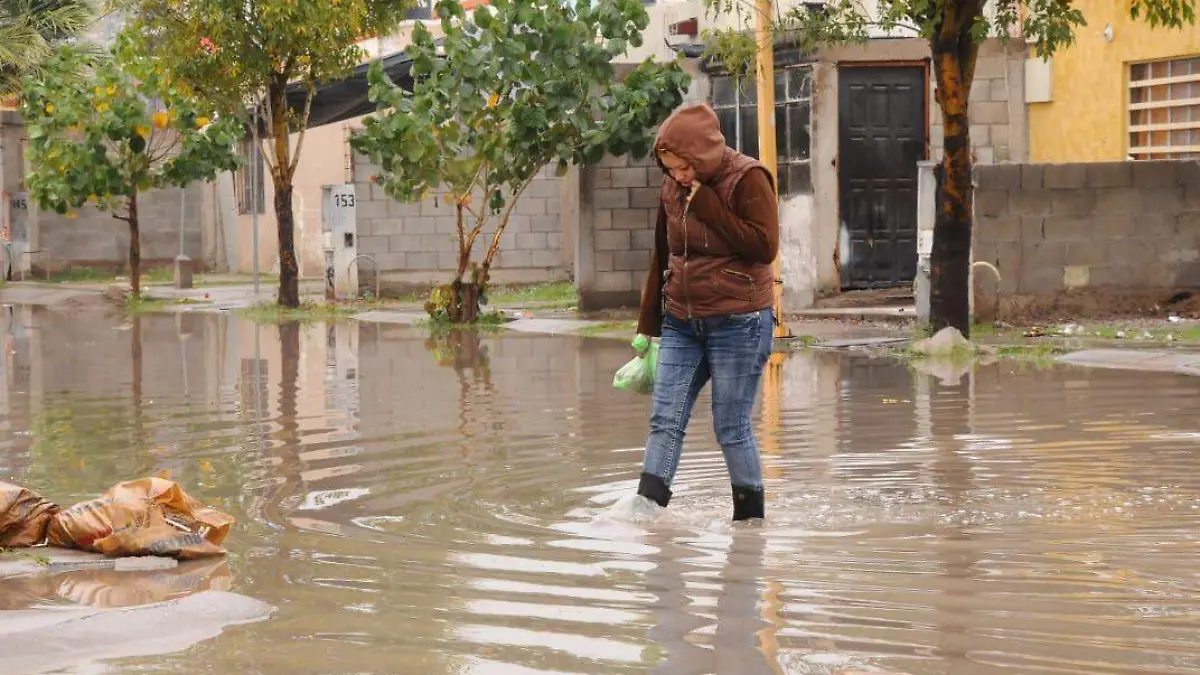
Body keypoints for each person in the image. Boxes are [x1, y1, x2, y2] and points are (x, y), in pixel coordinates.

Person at [632, 101, 780, 522]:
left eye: (683, 167)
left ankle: (750, 524)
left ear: (702, 155)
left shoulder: (748, 178)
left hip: (740, 321)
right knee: (665, 416)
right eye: (670, 168)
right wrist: (649, 324)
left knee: (731, 426)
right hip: (682, 320)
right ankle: (645, 513)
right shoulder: (672, 189)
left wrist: (711, 207)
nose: (678, 176)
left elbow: (764, 247)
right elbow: (664, 254)